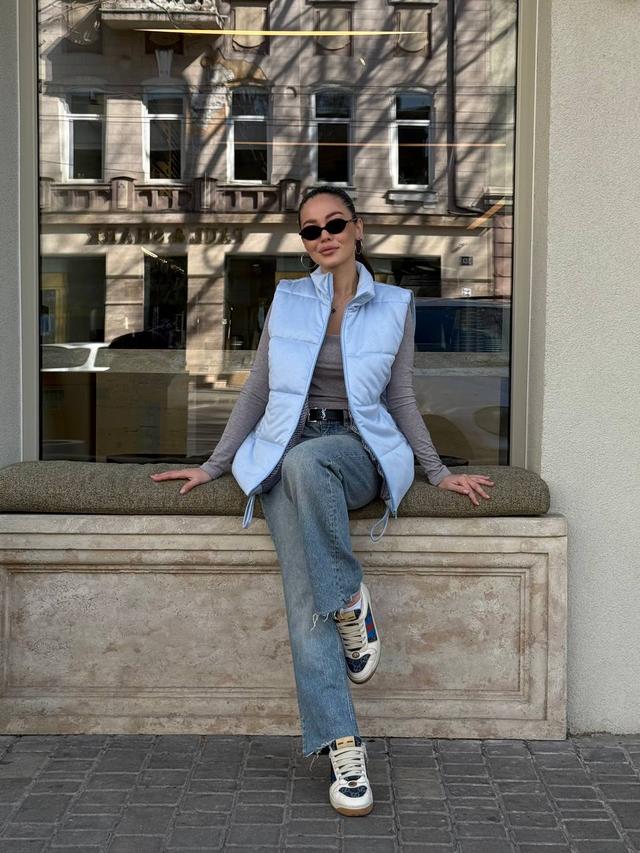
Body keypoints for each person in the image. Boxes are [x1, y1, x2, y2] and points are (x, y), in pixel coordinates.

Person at [150, 184, 495, 817]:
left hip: (356, 449)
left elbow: (400, 397)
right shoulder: (287, 299)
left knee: (310, 464)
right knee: (304, 602)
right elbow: (258, 390)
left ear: (357, 228)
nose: (323, 237)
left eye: (334, 224)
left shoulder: (394, 305)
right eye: (310, 230)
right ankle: (343, 747)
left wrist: (437, 470)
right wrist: (214, 464)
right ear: (304, 242)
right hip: (286, 449)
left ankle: (351, 598)